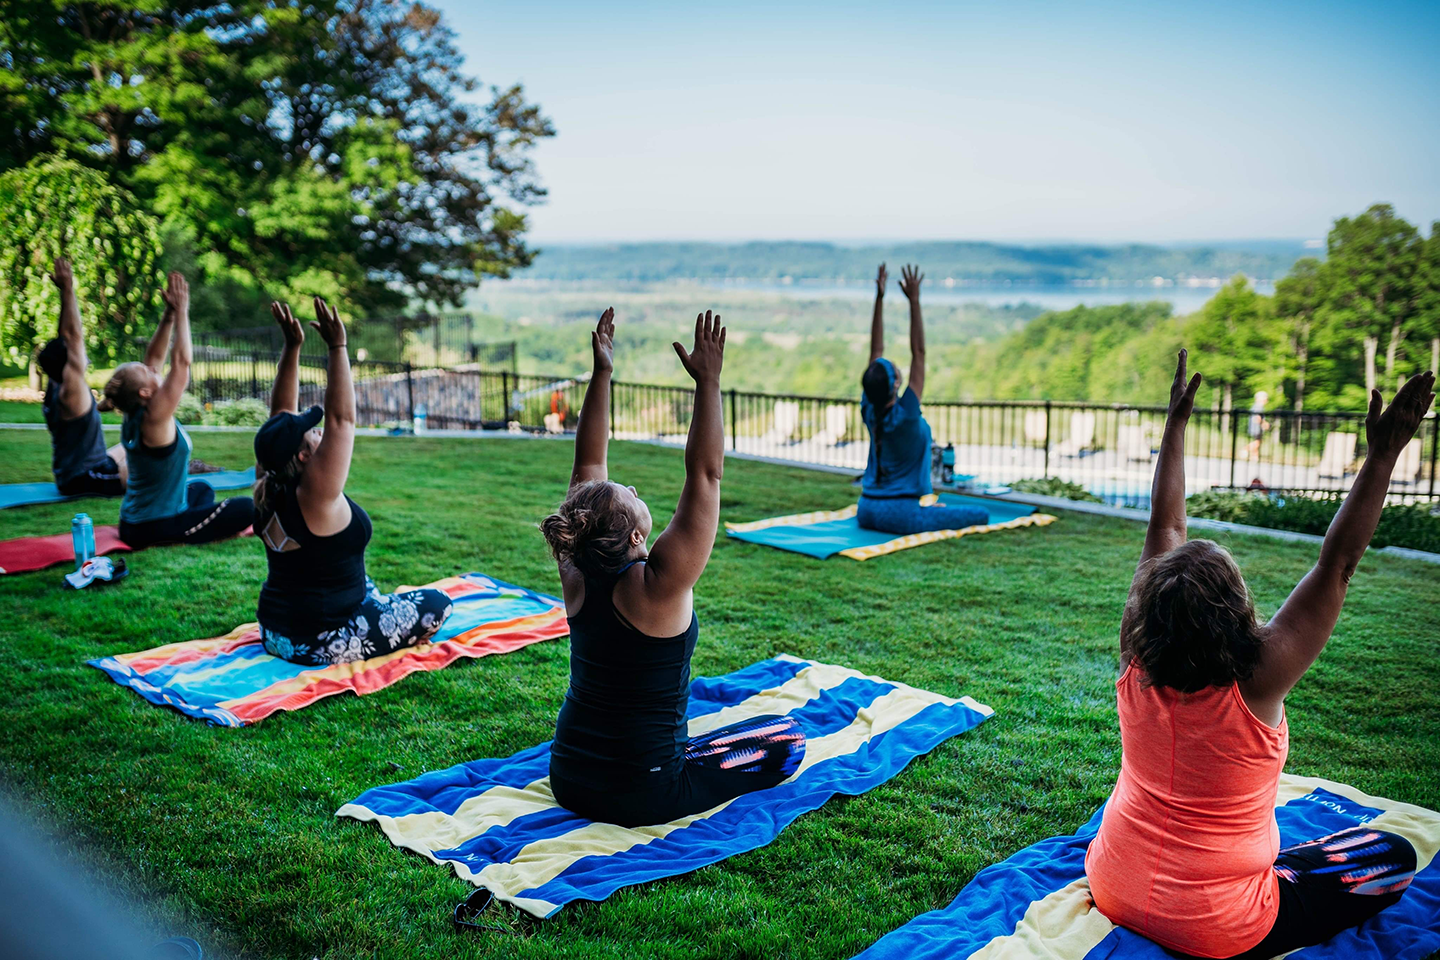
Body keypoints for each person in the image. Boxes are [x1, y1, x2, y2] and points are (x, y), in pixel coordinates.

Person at [1084, 351, 1431, 959]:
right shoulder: (1260, 680)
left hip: (1112, 881)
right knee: (1393, 854)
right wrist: (1382, 456)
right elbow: (1338, 565)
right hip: (1218, 926)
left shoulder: (1134, 663)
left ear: (1147, 609)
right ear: (1236, 614)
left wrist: (1174, 426)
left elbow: (1163, 535)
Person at [541, 308, 806, 827]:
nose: (634, 489)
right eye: (630, 495)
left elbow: (587, 470)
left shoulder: (576, 568)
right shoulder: (660, 585)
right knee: (786, 737)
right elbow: (705, 474)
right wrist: (709, 381)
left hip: (568, 776)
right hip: (643, 792)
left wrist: (603, 374)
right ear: (638, 536)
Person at [252, 298, 452, 666]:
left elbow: (279, 419)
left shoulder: (268, 475)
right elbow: (342, 420)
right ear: (303, 456)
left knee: (371, 589)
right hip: (318, 640)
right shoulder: (316, 493)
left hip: (275, 633)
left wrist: (292, 348)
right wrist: (337, 347)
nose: (316, 432)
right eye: (310, 433)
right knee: (437, 604)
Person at [100, 273, 254, 548]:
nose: (151, 368)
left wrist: (169, 315)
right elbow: (181, 364)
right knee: (246, 508)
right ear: (145, 392)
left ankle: (186, 520)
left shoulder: (136, 409)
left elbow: (155, 357)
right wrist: (183, 311)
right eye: (146, 371)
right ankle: (181, 532)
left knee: (202, 489)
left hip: (134, 520)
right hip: (152, 527)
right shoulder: (155, 417)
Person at [857, 263, 986, 534]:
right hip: (902, 516)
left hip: (866, 510)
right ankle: (928, 512)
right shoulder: (906, 414)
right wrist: (914, 301)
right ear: (895, 384)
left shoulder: (869, 408)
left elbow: (876, 349)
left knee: (940, 510)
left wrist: (879, 298)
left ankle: (927, 511)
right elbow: (919, 352)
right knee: (980, 514)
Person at [37, 258, 128, 496]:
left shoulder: (57, 383)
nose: (82, 353)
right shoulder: (70, 392)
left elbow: (66, 338)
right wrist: (68, 288)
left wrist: (64, 293)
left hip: (74, 473)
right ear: (70, 363)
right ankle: (190, 471)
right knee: (150, 466)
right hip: (86, 477)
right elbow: (74, 336)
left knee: (137, 445)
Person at [1246, 390, 1270, 460]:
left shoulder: (1257, 406)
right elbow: (1258, 417)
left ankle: (1254, 456)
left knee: (1258, 440)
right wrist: (1264, 424)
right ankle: (1246, 449)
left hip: (1256, 426)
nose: (1266, 400)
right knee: (1258, 441)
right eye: (1266, 399)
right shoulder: (1259, 406)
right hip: (1256, 427)